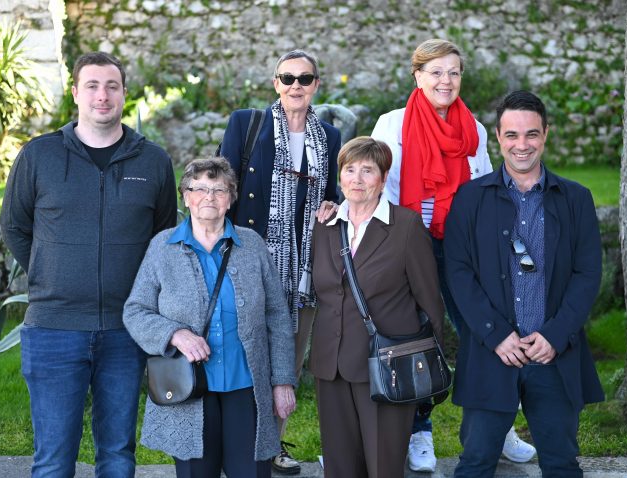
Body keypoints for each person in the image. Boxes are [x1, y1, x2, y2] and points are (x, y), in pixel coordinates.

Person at [0, 52, 177, 477]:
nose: (103, 96)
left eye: (112, 86)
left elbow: (162, 239)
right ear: (76, 93)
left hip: (125, 331)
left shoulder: (152, 161)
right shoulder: (38, 156)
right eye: (93, 86)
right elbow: (14, 225)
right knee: (53, 460)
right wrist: (49, 273)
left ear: (123, 94)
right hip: (53, 329)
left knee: (117, 454)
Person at [371, 38, 535, 471]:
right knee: (417, 336)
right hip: (411, 244)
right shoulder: (393, 124)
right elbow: (381, 189)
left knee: (485, 332)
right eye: (436, 72)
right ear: (418, 76)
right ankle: (418, 432)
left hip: (465, 247)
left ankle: (495, 430)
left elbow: (482, 190)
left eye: (454, 72)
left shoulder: (475, 130)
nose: (446, 80)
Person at [444, 90, 605, 477]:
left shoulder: (575, 199)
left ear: (545, 134)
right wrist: (496, 334)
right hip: (492, 352)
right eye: (512, 135)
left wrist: (556, 334)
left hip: (553, 352)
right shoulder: (469, 199)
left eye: (531, 134)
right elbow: (458, 272)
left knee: (561, 463)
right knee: (476, 462)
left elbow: (588, 274)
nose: (522, 145)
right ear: (498, 137)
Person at [123, 157, 297, 478]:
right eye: (199, 188)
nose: (209, 197)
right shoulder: (162, 247)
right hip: (188, 388)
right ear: (186, 196)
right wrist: (175, 334)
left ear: (231, 199)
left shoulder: (252, 245)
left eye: (219, 190)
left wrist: (283, 381)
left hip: (246, 387)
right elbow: (135, 311)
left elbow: (277, 316)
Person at [219, 49, 341, 474]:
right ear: (275, 83)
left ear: (315, 86)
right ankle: (239, 443)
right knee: (245, 351)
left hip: (305, 266)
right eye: (287, 78)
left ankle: (270, 445)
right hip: (252, 259)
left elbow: (334, 195)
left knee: (289, 354)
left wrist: (331, 206)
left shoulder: (329, 137)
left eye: (304, 79)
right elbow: (223, 185)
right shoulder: (246, 124)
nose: (295, 85)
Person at [309, 137, 445, 478]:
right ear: (339, 177)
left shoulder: (406, 227)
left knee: (384, 466)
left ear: (383, 179)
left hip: (387, 366)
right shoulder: (325, 225)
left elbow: (430, 302)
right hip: (332, 365)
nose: (357, 179)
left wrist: (424, 368)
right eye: (349, 170)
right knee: (339, 467)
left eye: (367, 171)